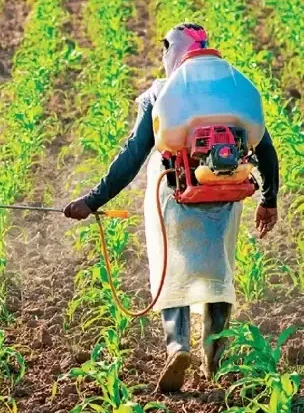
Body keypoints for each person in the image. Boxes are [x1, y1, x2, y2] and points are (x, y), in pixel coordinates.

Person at [62, 23, 280, 393]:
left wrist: (93, 199)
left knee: (171, 266)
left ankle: (178, 346)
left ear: (172, 51)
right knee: (218, 269)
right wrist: (269, 200)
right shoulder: (232, 90)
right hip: (225, 194)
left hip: (175, 192)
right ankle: (214, 355)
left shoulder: (161, 92)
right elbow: (266, 150)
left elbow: (134, 153)